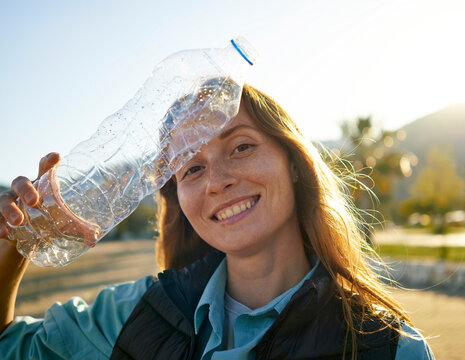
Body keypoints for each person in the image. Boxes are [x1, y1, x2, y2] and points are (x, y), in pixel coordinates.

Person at [0, 84, 435, 359]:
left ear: (295, 162)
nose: (217, 181)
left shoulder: (388, 347)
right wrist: (12, 246)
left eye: (241, 147)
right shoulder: (136, 315)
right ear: (179, 200)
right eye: (191, 168)